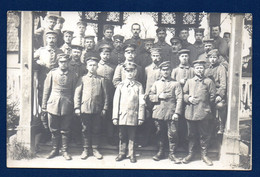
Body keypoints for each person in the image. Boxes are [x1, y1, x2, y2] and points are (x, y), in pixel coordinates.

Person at [42, 53, 78, 160]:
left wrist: (75, 106)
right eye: (61, 62)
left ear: (68, 63)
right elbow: (46, 90)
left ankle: (65, 150)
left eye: (65, 62)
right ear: (58, 62)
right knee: (53, 128)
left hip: (67, 104)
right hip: (53, 104)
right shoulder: (52, 73)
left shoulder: (73, 75)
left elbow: (75, 92)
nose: (63, 64)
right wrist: (44, 105)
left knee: (65, 129)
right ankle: (54, 150)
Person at [182, 59, 216, 166]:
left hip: (203, 113)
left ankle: (204, 155)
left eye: (201, 68)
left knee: (204, 134)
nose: (199, 70)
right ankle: (190, 154)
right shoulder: (189, 81)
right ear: (194, 69)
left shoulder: (209, 82)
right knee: (191, 134)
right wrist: (189, 99)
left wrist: (204, 105)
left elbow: (212, 97)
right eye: (197, 68)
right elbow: (184, 94)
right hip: (191, 113)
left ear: (204, 69)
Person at [74, 56, 109, 160]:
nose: (92, 67)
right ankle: (85, 150)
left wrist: (105, 108)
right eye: (90, 65)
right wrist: (77, 107)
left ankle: (95, 149)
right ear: (87, 67)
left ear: (97, 66)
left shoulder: (101, 79)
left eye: (94, 65)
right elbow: (77, 94)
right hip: (85, 109)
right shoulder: (82, 79)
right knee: (85, 129)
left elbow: (106, 95)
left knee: (96, 129)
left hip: (97, 109)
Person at [149, 61, 183, 163]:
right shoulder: (156, 83)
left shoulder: (176, 84)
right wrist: (158, 96)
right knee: (159, 133)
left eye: (167, 70)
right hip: (159, 112)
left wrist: (177, 112)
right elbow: (150, 96)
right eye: (163, 70)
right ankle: (161, 152)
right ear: (160, 71)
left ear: (170, 71)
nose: (165, 72)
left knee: (172, 134)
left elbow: (180, 98)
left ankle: (172, 154)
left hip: (171, 113)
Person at [112, 61, 145, 163]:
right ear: (124, 72)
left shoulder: (139, 86)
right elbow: (116, 102)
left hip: (133, 115)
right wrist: (115, 117)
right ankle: (121, 153)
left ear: (135, 72)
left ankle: (131, 154)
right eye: (128, 71)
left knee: (132, 136)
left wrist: (141, 117)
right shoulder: (120, 86)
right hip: (122, 115)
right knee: (122, 135)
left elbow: (142, 103)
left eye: (132, 71)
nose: (130, 73)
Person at [171, 49, 194, 151]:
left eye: (186, 56)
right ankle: (177, 142)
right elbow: (170, 84)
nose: (184, 58)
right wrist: (178, 82)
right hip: (178, 99)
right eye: (182, 56)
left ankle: (186, 143)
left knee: (187, 122)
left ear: (188, 57)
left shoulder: (192, 70)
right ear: (179, 58)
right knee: (177, 121)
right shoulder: (175, 70)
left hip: (189, 99)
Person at [34, 30, 63, 106]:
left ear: (56, 39)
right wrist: (38, 61)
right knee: (42, 94)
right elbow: (32, 59)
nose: (51, 40)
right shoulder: (41, 50)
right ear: (46, 39)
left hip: (55, 78)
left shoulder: (60, 51)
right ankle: (43, 113)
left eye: (53, 38)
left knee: (54, 95)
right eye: (49, 38)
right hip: (43, 76)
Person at [96, 44, 117, 145]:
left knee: (109, 116)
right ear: (100, 54)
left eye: (108, 54)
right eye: (104, 54)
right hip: (98, 95)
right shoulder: (96, 66)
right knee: (98, 116)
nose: (105, 56)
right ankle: (98, 137)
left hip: (111, 94)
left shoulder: (113, 67)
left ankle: (110, 137)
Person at [205, 49, 227, 134]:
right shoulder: (207, 70)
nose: (213, 59)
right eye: (211, 57)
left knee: (220, 105)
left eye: (214, 57)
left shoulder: (221, 68)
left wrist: (219, 95)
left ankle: (221, 126)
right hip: (209, 93)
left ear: (218, 58)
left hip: (217, 93)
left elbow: (223, 84)